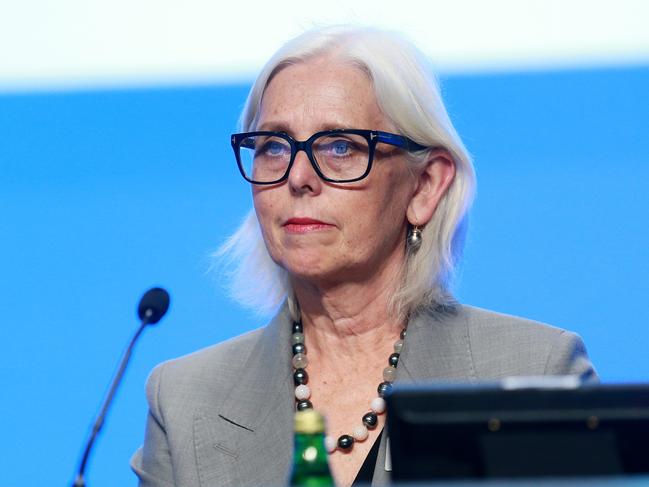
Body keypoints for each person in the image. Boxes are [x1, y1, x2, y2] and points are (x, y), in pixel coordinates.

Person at [131, 26, 596, 487]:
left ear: (425, 185)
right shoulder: (184, 401)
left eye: (340, 147)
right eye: (274, 146)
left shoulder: (535, 372)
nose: (298, 177)